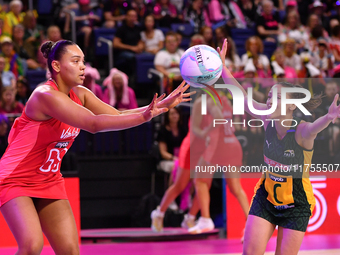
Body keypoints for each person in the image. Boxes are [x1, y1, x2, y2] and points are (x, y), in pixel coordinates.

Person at [0, 39, 193, 254]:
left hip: (48, 178)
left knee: (70, 251)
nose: (82, 66)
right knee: (31, 246)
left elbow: (117, 114)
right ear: (56, 66)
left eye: (83, 60)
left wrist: (160, 106)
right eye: (75, 61)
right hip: (15, 177)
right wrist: (144, 118)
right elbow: (93, 124)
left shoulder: (80, 94)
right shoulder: (45, 96)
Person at [218, 38, 340, 255]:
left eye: (276, 97)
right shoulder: (266, 120)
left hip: (297, 205)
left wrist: (329, 118)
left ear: (292, 105)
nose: (269, 101)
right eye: (270, 96)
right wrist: (224, 69)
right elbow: (243, 98)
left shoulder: (301, 131)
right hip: (266, 198)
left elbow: (314, 128)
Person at [151, 94, 213, 233]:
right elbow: (195, 129)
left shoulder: (222, 105)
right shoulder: (200, 104)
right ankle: (159, 214)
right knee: (179, 185)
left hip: (207, 150)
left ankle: (190, 218)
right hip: (192, 148)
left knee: (204, 187)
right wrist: (208, 135)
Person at [189, 92, 249, 235]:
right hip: (233, 143)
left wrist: (206, 133)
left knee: (200, 181)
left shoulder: (207, 100)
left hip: (218, 145)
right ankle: (251, 225)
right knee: (236, 189)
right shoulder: (224, 99)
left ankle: (205, 219)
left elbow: (218, 118)